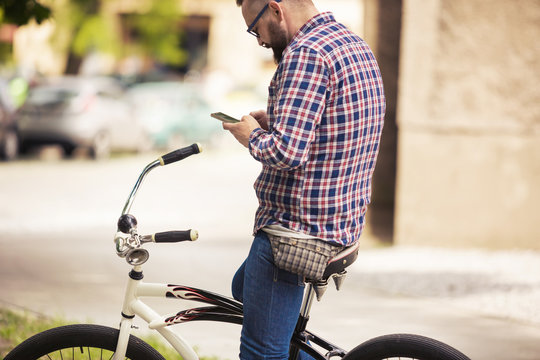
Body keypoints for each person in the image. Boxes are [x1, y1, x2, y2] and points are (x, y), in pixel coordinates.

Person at [223, 0, 385, 358]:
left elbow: (285, 153)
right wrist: (278, 118)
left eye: (256, 28)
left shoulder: (305, 54)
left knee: (262, 352)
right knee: (244, 289)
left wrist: (250, 135)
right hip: (340, 222)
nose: (259, 40)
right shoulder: (351, 43)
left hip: (295, 233)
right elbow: (337, 120)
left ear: (277, 10)